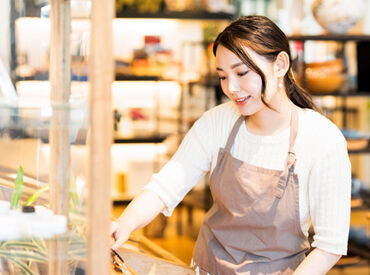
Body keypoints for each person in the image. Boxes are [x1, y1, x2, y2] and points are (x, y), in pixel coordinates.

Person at [111, 15, 351, 274]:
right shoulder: (218, 122)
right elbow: (166, 186)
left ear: (280, 64)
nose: (231, 88)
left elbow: (330, 246)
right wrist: (125, 223)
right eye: (223, 76)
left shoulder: (322, 139)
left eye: (241, 73)